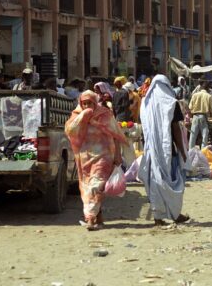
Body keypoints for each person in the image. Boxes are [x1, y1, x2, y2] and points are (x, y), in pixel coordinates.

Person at [65, 90, 126, 231]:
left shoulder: (105, 114)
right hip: (85, 158)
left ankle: (90, 219)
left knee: (95, 185)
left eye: (90, 103)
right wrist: (83, 117)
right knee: (87, 188)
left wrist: (117, 155)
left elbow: (116, 135)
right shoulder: (76, 115)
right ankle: (99, 216)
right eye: (84, 103)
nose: (87, 106)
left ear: (95, 102)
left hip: (103, 156)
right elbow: (70, 131)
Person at [138, 74, 190, 225]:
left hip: (151, 149)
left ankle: (158, 216)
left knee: (155, 181)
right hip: (168, 150)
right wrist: (182, 150)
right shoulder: (171, 103)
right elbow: (175, 129)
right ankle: (174, 213)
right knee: (173, 180)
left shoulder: (145, 103)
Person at [188, 80, 212, 149]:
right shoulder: (209, 96)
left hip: (195, 116)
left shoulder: (195, 95)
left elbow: (190, 107)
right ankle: (203, 153)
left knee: (193, 136)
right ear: (208, 89)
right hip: (204, 117)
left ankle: (190, 152)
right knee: (205, 136)